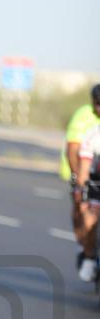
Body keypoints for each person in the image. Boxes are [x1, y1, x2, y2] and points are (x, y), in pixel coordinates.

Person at [60, 84, 100, 279]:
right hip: (84, 171)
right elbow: (73, 151)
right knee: (83, 209)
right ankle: (85, 251)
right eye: (97, 103)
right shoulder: (85, 119)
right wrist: (79, 184)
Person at [73, 120, 100, 282]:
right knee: (90, 219)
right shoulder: (94, 135)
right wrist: (83, 198)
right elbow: (83, 172)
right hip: (96, 181)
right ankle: (89, 258)